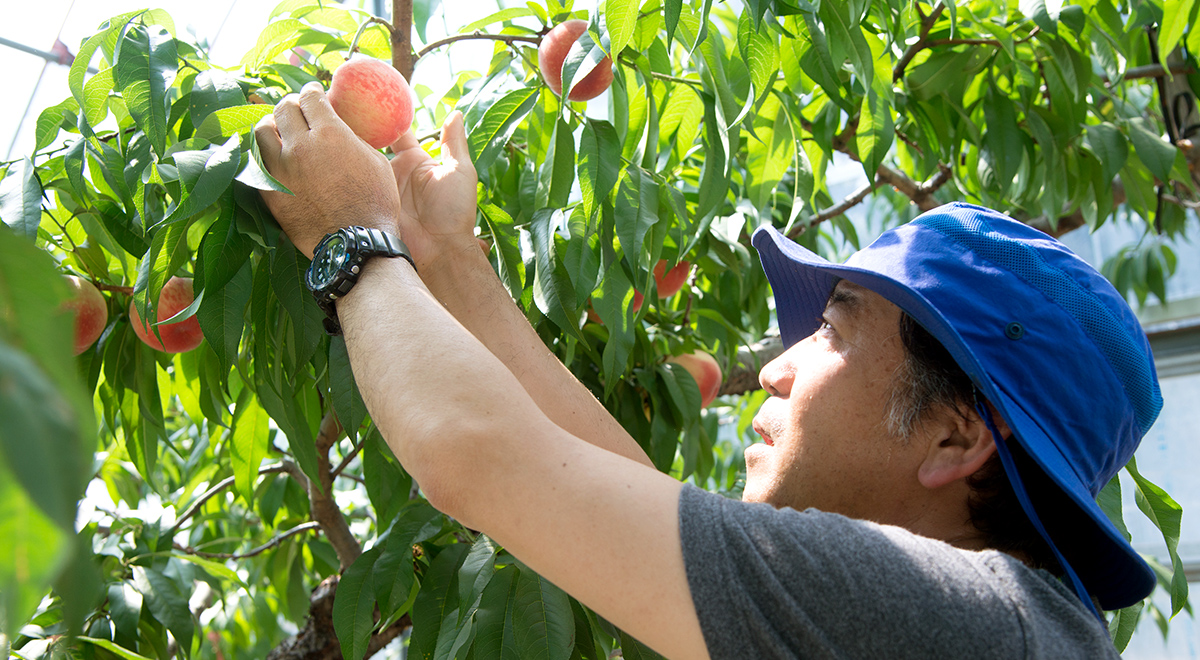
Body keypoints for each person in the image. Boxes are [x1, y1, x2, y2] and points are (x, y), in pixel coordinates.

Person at [253, 82, 1162, 659]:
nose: (774, 371)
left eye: (833, 334)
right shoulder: (1002, 626)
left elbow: (474, 454)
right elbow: (619, 499)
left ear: (954, 433)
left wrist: (349, 237)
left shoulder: (959, 618)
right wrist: (448, 256)